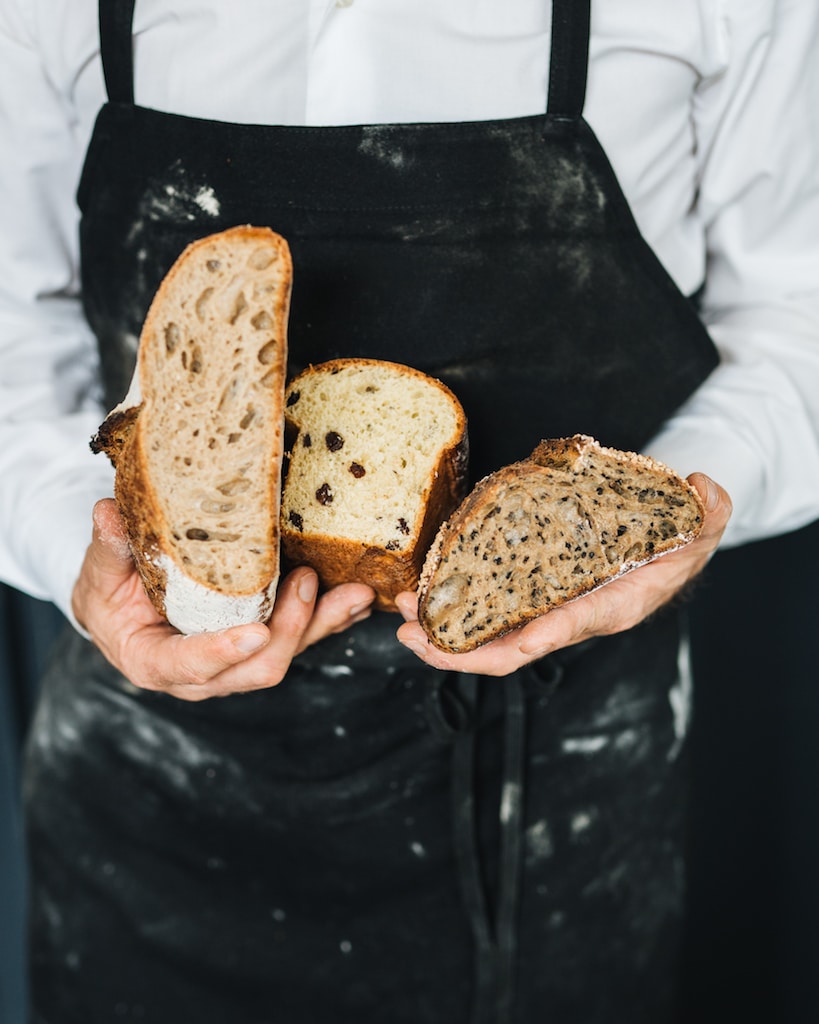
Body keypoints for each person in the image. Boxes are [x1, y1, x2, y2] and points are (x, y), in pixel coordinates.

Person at [1, 1, 817, 1022]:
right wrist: (86, 560)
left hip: (556, 807)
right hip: (151, 816)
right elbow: (11, 346)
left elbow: (798, 314)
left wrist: (658, 510)